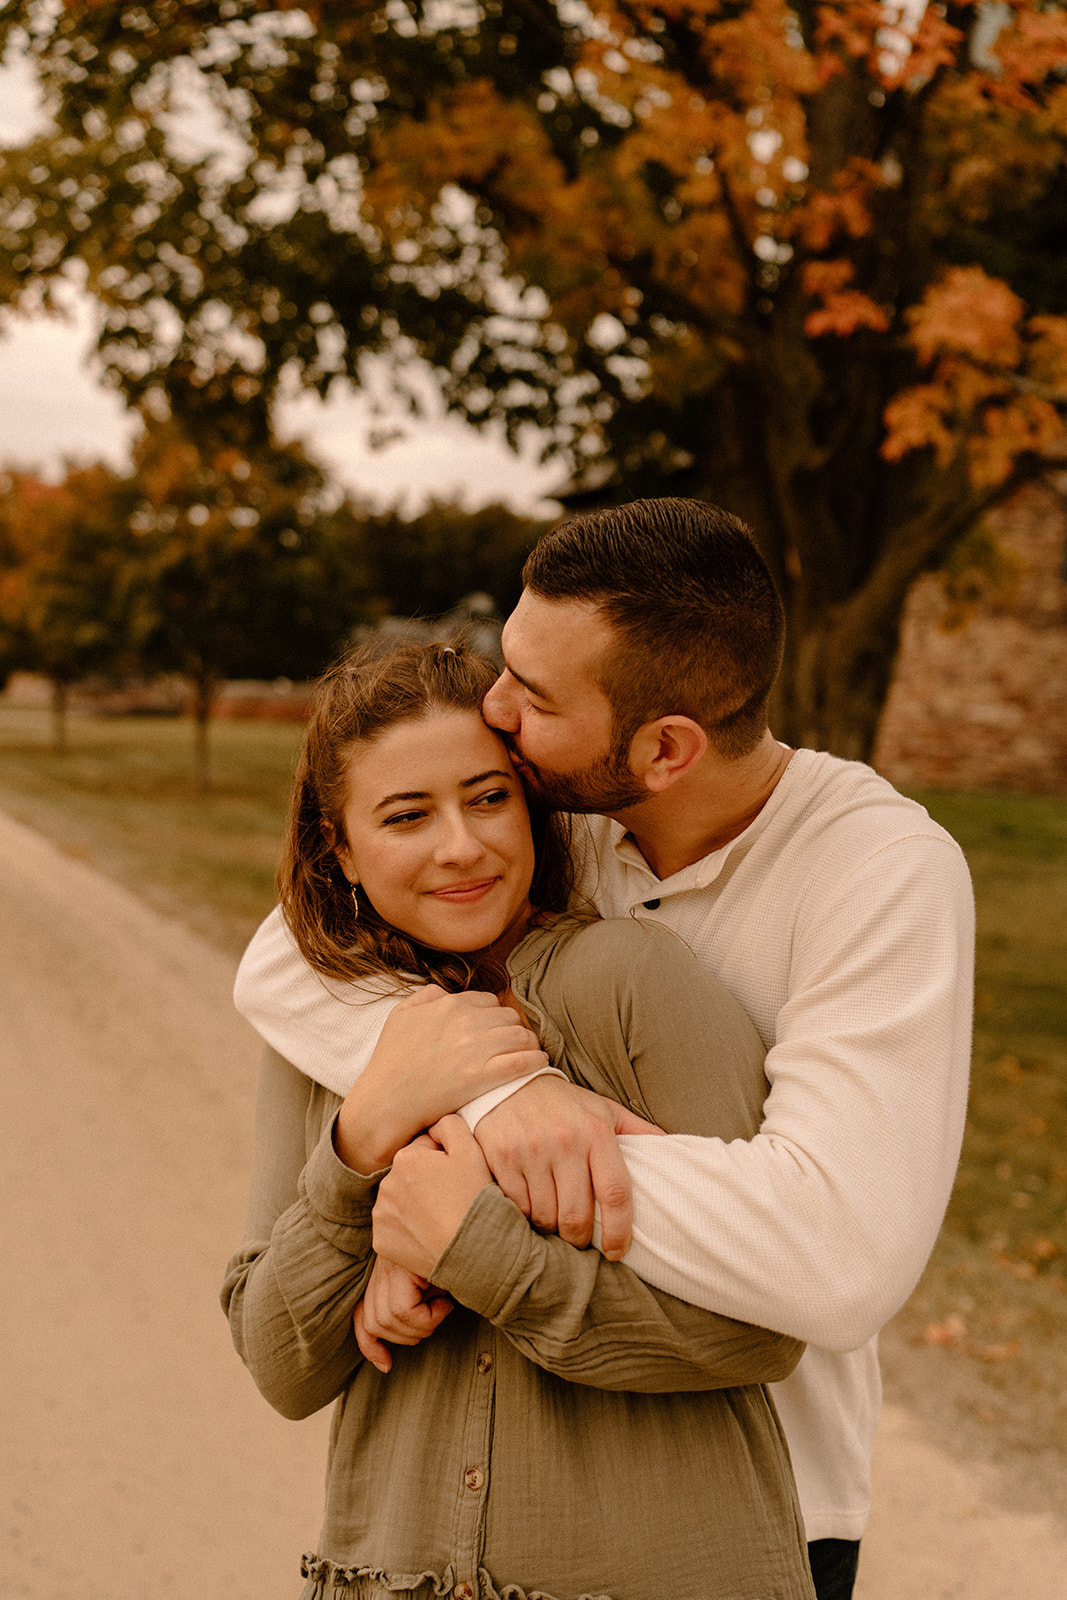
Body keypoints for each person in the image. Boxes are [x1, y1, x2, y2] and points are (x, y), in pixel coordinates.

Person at [235, 500, 976, 1600]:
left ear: (662, 747)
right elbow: (287, 952)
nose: (494, 709)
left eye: (531, 695)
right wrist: (490, 1102)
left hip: (753, 1500)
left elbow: (834, 1257)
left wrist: (467, 1182)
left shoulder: (874, 873)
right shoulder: (543, 809)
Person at [223, 638, 817, 1600]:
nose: (462, 845)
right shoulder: (320, 1030)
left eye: (488, 797)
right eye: (406, 816)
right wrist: (359, 1146)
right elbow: (282, 1368)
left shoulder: (631, 980)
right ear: (339, 843)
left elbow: (764, 1330)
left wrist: (469, 1246)